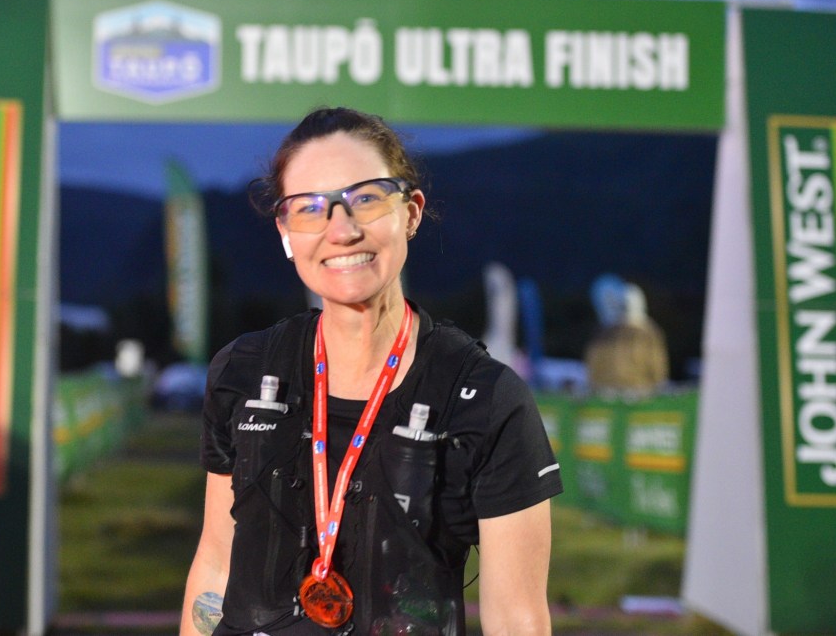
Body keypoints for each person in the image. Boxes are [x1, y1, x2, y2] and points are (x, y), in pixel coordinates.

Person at [181, 107, 562, 636]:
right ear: (286, 232)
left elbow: (516, 619)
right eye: (310, 208)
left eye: (366, 198)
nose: (342, 230)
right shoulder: (242, 371)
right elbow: (217, 565)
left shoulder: (485, 398)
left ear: (411, 213)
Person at [584, 276, 669, 399]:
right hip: (608, 393)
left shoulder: (648, 333)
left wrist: (654, 387)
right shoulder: (604, 334)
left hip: (640, 393)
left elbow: (657, 367)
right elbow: (594, 367)